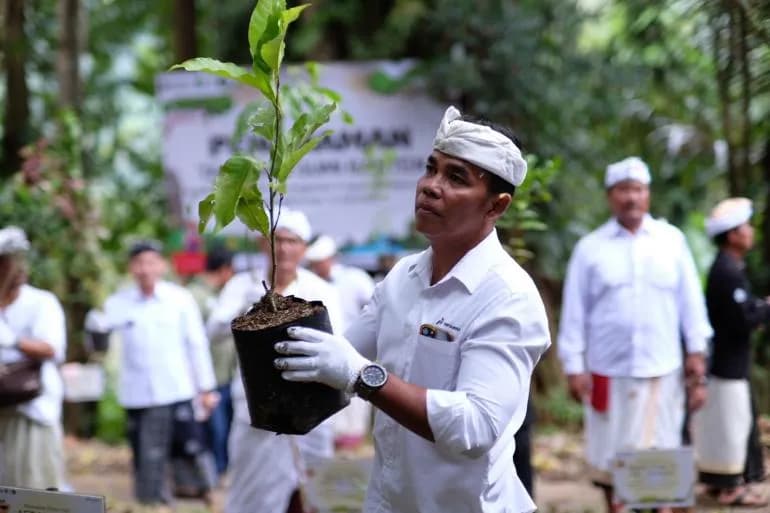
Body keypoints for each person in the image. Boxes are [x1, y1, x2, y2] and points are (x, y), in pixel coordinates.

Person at [273, 106, 551, 513]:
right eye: (431, 168)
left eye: (456, 178)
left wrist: (361, 377)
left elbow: (475, 426)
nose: (431, 187)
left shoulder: (507, 297)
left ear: (496, 207)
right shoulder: (404, 276)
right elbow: (343, 351)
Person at [556, 157, 713, 513]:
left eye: (638, 190)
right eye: (623, 190)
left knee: (661, 455)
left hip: (663, 369)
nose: (631, 198)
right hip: (607, 372)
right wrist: (573, 366)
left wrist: (697, 354)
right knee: (612, 457)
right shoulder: (590, 249)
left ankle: (662, 509)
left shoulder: (671, 241)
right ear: (611, 196)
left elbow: (691, 304)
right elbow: (574, 313)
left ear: (648, 195)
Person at [206, 209, 343, 513]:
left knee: (314, 491)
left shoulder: (320, 290)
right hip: (258, 411)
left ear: (303, 248)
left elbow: (339, 344)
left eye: (292, 241)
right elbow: (214, 330)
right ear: (262, 243)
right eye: (277, 240)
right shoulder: (244, 285)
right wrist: (250, 308)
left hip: (312, 408)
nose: (283, 248)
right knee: (252, 494)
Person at [93, 241, 219, 506]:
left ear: (162, 265)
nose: (144, 269)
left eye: (150, 262)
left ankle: (200, 495)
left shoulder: (180, 299)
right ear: (131, 268)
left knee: (190, 449)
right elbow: (100, 344)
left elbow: (196, 344)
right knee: (146, 454)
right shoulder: (118, 303)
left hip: (177, 389)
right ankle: (152, 502)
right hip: (138, 394)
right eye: (138, 263)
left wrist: (205, 388)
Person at [692, 198, 769, 507]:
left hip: (729, 360)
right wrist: (764, 308)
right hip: (728, 363)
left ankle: (721, 482)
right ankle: (730, 487)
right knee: (732, 424)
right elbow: (741, 318)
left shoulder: (729, 267)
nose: (750, 232)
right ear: (734, 235)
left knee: (732, 421)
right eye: (745, 227)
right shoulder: (727, 270)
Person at [0, 226, 67, 489]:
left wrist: (12, 340)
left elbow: (52, 348)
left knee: (34, 490)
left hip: (31, 411)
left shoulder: (41, 303)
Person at [305, 234, 375, 449]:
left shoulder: (355, 278)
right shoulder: (310, 283)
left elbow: (377, 306)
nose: (319, 266)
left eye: (321, 262)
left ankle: (351, 448)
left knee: (354, 405)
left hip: (356, 350)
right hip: (325, 353)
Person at [187, 247, 237, 479]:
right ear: (226, 269)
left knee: (225, 430)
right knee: (213, 432)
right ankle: (212, 476)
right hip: (207, 379)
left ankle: (221, 472)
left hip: (225, 376)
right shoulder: (195, 296)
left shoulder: (219, 294)